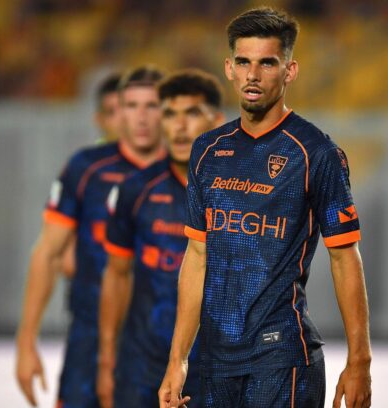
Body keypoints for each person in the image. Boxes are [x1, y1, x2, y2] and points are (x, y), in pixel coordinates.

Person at [159, 7, 372, 408]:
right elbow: (197, 256)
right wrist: (178, 359)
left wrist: (359, 361)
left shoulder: (315, 153)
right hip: (212, 364)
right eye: (244, 62)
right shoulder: (206, 152)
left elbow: (345, 257)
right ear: (229, 67)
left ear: (289, 71)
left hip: (282, 359)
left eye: (267, 63)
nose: (253, 75)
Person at [15, 66, 166, 408]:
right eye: (129, 106)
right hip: (90, 338)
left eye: (152, 106)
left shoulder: (189, 175)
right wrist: (26, 343)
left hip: (161, 344)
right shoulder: (86, 170)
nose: (141, 117)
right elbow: (49, 254)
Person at [96, 69, 225, 408]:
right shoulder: (135, 190)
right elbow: (117, 274)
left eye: (192, 113)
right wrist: (107, 359)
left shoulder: (242, 193)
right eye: (169, 114)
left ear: (217, 120)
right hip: (142, 367)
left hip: (220, 369)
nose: (179, 127)